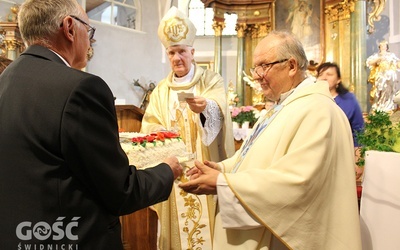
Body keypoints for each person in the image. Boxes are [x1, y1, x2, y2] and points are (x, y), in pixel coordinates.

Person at [0, 1, 182, 249]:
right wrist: (167, 171)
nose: (91, 41)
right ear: (69, 28)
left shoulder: (5, 79)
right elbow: (121, 191)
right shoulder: (80, 88)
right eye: (90, 30)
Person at [180, 31, 362, 249]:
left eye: (264, 66)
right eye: (255, 68)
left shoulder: (318, 110)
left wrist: (222, 182)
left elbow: (297, 183)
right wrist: (221, 167)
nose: (256, 75)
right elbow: (252, 155)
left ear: (292, 66)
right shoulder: (281, 106)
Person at [140, 6, 235, 250]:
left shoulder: (210, 79)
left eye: (181, 51)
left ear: (192, 52)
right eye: (172, 52)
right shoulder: (161, 90)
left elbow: (220, 111)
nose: (177, 58)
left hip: (203, 169)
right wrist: (161, 134)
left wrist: (207, 108)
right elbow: (150, 125)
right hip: (174, 173)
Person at [316, 62, 365, 180]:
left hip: (342, 155)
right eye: (321, 74)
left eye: (329, 74)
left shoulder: (348, 100)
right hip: (317, 156)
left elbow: (358, 130)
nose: (324, 77)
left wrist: (359, 160)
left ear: (338, 80)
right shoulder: (312, 99)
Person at [366, 40, 400, 112]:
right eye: (381, 46)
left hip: (389, 75)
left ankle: (388, 107)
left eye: (384, 45)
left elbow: (397, 63)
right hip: (381, 75)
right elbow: (369, 62)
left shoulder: (391, 55)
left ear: (387, 47)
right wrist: (378, 59)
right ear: (379, 47)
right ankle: (380, 106)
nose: (383, 47)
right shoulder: (377, 55)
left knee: (389, 91)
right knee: (380, 90)